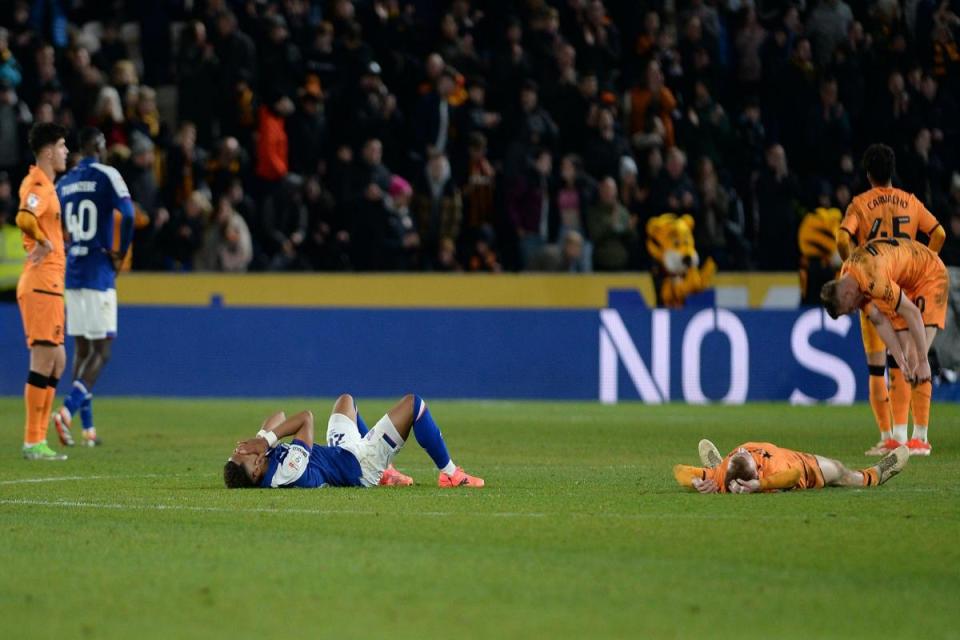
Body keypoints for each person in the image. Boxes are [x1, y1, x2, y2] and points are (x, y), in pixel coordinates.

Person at [837, 144, 945, 456]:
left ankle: (890, 437)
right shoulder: (910, 202)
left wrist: (851, 265)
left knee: (877, 367)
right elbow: (938, 233)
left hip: (871, 288)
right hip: (905, 283)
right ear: (891, 170)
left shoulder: (860, 204)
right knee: (908, 360)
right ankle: (908, 435)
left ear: (868, 174)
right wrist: (924, 259)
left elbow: (842, 237)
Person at [821, 238, 949, 455]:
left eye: (847, 309)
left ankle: (921, 439)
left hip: (930, 275)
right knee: (907, 357)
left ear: (846, 294)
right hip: (908, 278)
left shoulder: (871, 279)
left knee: (918, 358)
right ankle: (906, 439)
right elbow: (879, 320)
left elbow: (912, 313)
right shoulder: (850, 274)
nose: (852, 311)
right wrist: (900, 360)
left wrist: (922, 360)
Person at [52, 128, 135, 447]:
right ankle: (68, 412)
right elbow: (127, 212)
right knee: (103, 350)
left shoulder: (65, 182)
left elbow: (56, 223)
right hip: (99, 272)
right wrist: (121, 252)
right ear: (99, 148)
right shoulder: (108, 174)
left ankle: (87, 430)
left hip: (73, 271)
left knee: (83, 349)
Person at [224, 393, 484, 489]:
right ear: (256, 470)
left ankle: (389, 474)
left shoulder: (262, 462)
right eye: (244, 455)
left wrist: (260, 440)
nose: (243, 450)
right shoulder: (288, 470)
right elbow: (306, 418)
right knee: (414, 405)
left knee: (346, 401)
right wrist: (267, 439)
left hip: (342, 453)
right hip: (359, 466)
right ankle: (450, 474)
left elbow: (278, 415)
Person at [14, 123, 69, 460]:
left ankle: (38, 438)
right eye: (62, 146)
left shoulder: (47, 184)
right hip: (41, 284)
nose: (65, 151)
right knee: (44, 358)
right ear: (48, 151)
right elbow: (23, 217)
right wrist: (46, 241)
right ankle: (33, 440)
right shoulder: (38, 185)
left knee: (57, 361)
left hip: (50, 285)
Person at [674, 439, 908, 494]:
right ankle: (875, 474)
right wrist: (759, 485)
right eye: (746, 457)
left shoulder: (724, 469)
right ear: (757, 472)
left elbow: (680, 470)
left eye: (740, 453)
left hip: (728, 475)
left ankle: (714, 466)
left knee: (717, 474)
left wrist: (696, 481)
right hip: (804, 465)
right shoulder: (772, 472)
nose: (744, 450)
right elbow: (794, 475)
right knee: (839, 472)